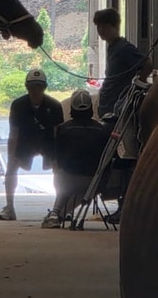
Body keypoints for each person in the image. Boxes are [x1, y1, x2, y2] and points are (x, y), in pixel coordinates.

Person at [0, 68, 64, 221]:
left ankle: (58, 208)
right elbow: (13, 134)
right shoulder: (18, 105)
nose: (35, 90)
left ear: (44, 88)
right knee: (11, 169)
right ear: (27, 87)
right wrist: (11, 157)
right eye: (32, 87)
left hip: (47, 141)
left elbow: (57, 134)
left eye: (39, 87)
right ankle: (9, 207)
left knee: (59, 171)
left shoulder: (54, 106)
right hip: (26, 141)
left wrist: (58, 157)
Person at [41, 88, 110, 228]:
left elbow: (57, 158)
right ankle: (60, 214)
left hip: (68, 181)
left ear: (72, 108)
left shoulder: (62, 129)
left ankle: (55, 213)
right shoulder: (102, 130)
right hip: (94, 184)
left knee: (61, 173)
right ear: (91, 108)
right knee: (79, 183)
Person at [93, 8, 152, 120]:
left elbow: (147, 64)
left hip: (117, 108)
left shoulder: (124, 48)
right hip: (107, 105)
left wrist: (137, 85)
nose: (101, 30)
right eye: (98, 26)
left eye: (104, 26)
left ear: (115, 26)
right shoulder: (112, 47)